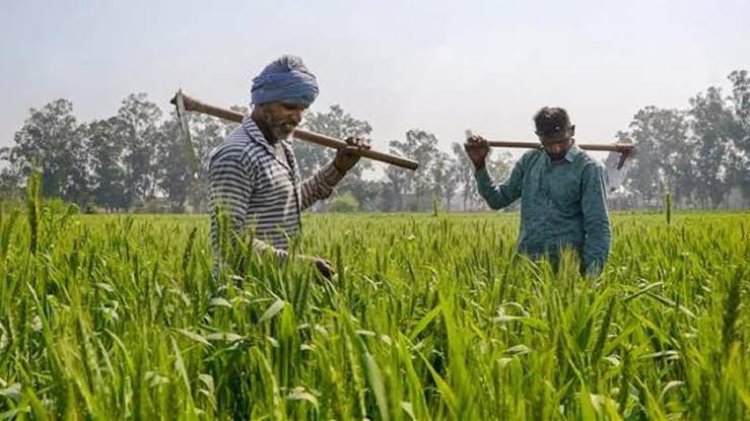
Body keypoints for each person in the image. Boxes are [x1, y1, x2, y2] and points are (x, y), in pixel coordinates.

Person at [209, 55, 369, 278]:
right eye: (289, 107)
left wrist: (338, 168)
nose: (298, 118)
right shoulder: (236, 155)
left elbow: (287, 203)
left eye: (302, 109)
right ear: (263, 101)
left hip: (278, 285)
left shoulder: (280, 146)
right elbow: (228, 241)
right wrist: (297, 264)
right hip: (242, 294)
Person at [464, 107, 611, 276]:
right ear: (538, 136)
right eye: (548, 144)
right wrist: (480, 165)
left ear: (571, 130)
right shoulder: (530, 161)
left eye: (561, 142)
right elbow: (498, 200)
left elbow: (598, 227)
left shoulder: (588, 168)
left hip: (566, 271)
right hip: (525, 266)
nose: (555, 149)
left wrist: (590, 277)